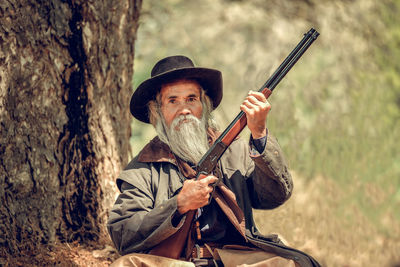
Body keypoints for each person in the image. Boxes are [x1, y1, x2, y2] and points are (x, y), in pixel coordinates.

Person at [107, 55, 320, 267]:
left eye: (191, 99)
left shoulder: (235, 150)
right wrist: (178, 205)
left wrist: (259, 134)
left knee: (291, 264)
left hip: (234, 259)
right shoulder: (143, 167)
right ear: (157, 111)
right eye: (173, 101)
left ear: (204, 104)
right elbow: (123, 233)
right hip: (174, 263)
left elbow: (275, 196)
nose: (184, 110)